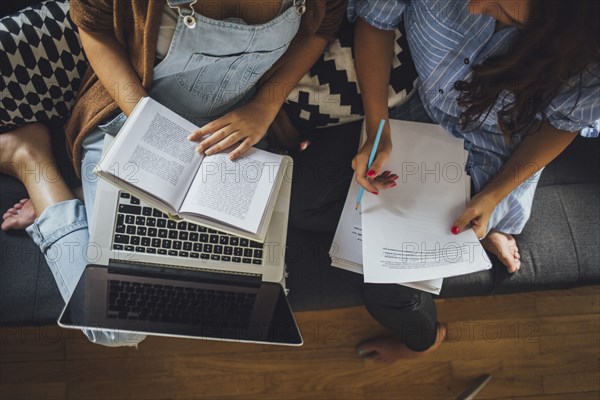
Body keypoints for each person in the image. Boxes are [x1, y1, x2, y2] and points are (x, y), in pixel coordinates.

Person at [1, 0, 346, 346]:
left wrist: (265, 105)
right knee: (116, 328)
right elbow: (92, 25)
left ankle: (82, 200)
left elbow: (323, 26)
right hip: (132, 121)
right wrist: (145, 120)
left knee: (248, 297)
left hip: (234, 142)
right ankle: (31, 160)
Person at [349, 0, 599, 362]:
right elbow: (375, 20)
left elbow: (562, 124)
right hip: (418, 111)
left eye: (500, 7)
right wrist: (378, 128)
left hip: (498, 153)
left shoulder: (588, 51)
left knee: (388, 290)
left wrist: (494, 195)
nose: (473, 6)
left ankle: (422, 341)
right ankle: (488, 227)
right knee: (335, 216)